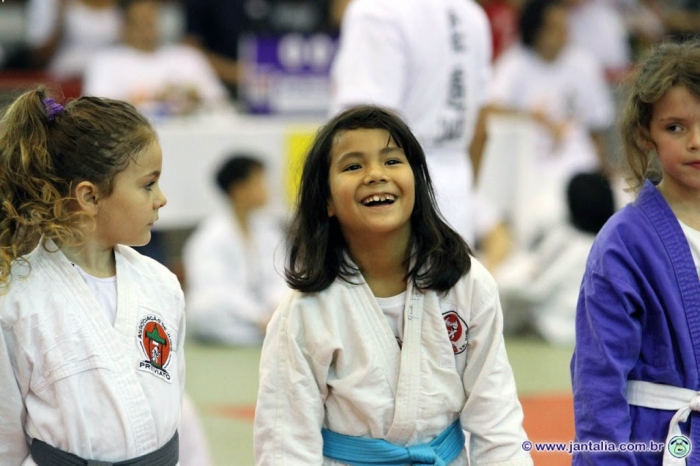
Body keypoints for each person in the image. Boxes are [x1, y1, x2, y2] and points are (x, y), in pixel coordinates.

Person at [254, 105, 533, 465]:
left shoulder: (466, 285)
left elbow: (498, 420)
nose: (375, 175)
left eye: (391, 161)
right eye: (353, 166)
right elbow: (284, 445)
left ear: (416, 180)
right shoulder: (305, 310)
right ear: (326, 200)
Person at [0, 88, 185, 464]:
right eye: (148, 184)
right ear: (90, 197)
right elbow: (5, 439)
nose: (161, 198)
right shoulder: (17, 300)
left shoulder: (161, 284)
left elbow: (172, 402)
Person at [571, 38, 700, 465]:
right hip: (655, 444)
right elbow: (599, 379)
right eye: (675, 127)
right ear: (646, 134)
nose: (696, 141)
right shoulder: (623, 243)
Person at [328, 0, 493, 244]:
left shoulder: (377, 10)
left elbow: (363, 127)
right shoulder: (472, 16)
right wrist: (463, 198)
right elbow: (480, 132)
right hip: (456, 197)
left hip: (390, 201)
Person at [480, 0, 615, 249]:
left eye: (565, 27)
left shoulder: (583, 63)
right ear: (536, 31)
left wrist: (603, 168)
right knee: (547, 218)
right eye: (556, 28)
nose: (565, 35)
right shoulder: (514, 64)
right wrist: (532, 118)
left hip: (580, 166)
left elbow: (597, 127)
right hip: (535, 170)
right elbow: (488, 109)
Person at [495, 171, 616, 345]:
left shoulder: (576, 247)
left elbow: (535, 290)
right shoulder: (606, 244)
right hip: (576, 331)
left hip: (558, 331)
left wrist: (494, 281)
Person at [182, 154, 288, 346]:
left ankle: (272, 330)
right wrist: (258, 317)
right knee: (204, 310)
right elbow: (217, 291)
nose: (267, 188)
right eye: (259, 182)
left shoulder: (268, 229)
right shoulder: (210, 237)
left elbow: (282, 275)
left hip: (266, 311)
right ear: (239, 190)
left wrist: (275, 309)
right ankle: (268, 333)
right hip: (234, 314)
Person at [83, 0, 228, 118]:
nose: (147, 28)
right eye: (141, 21)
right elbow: (98, 110)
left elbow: (219, 100)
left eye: (151, 20)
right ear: (125, 25)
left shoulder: (188, 56)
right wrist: (152, 97)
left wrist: (190, 98)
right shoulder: (105, 61)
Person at [23, 0, 121, 78]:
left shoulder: (121, 6)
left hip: (104, 76)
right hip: (64, 77)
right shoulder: (54, 4)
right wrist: (59, 19)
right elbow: (36, 57)